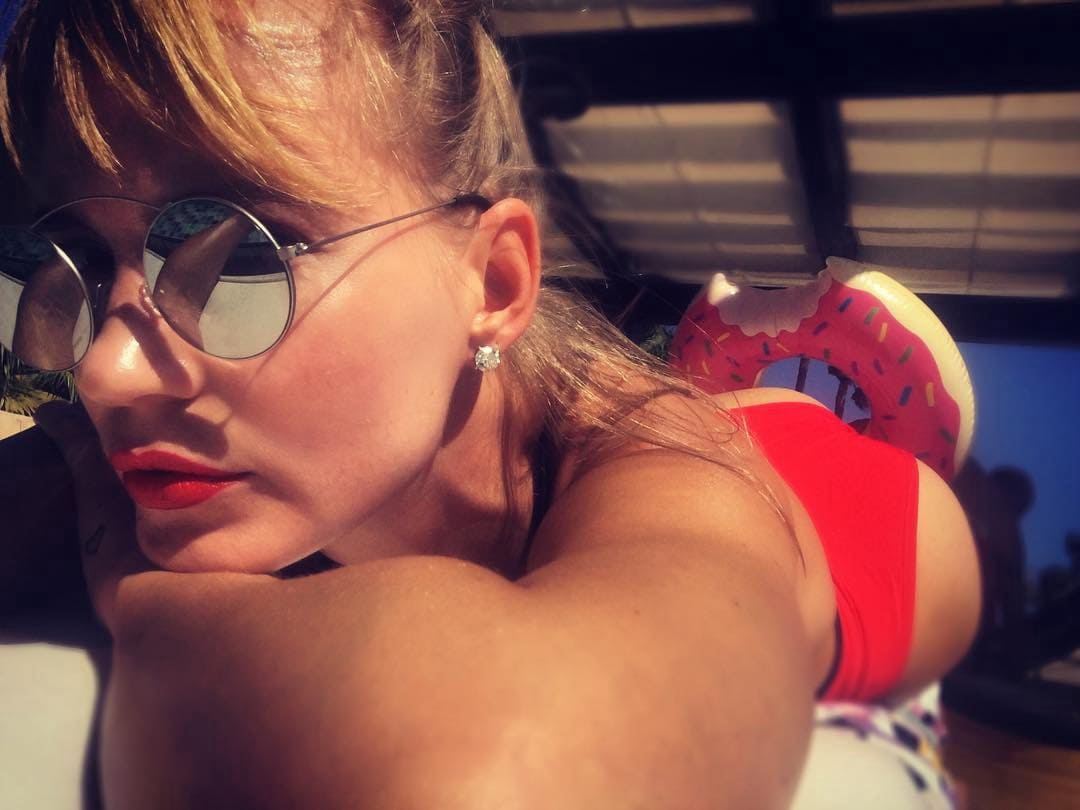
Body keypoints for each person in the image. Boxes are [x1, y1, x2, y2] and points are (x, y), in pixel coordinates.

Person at [0, 1, 982, 807]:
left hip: (855, 516)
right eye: (68, 265)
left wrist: (136, 589)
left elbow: (507, 770)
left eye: (239, 259)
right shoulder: (145, 435)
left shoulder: (672, 458)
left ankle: (789, 376)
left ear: (495, 283)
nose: (106, 374)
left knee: (737, 435)